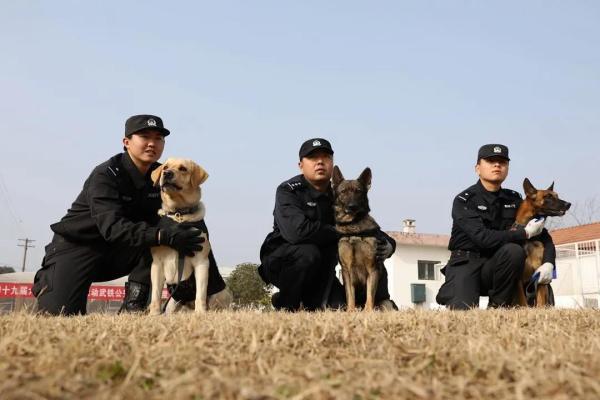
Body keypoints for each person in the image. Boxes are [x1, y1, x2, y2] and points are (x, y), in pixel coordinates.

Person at [32, 114, 228, 315]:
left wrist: (212, 286)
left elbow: (192, 229)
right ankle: (52, 278)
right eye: (144, 136)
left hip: (124, 250)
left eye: (158, 138)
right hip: (78, 247)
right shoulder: (106, 174)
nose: (152, 143)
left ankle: (135, 305)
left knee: (175, 237)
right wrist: (163, 236)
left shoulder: (163, 174)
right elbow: (113, 228)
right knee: (60, 313)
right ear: (126, 142)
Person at [257, 138, 396, 311]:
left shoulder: (342, 193)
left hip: (321, 270)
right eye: (313, 158)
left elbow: (364, 225)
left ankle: (380, 303)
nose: (320, 162)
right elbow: (297, 232)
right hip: (284, 261)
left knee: (339, 306)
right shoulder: (289, 190)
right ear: (301, 165)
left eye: (325, 157)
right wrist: (341, 231)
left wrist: (390, 244)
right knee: (307, 253)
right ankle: (287, 304)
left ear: (332, 163)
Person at [436, 144, 556, 310]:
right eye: (491, 161)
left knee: (514, 251)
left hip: (499, 265)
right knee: (462, 314)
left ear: (507, 168)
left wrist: (549, 263)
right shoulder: (464, 200)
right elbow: (482, 238)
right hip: (466, 262)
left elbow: (543, 237)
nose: (497, 165)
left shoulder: (514, 200)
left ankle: (498, 306)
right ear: (477, 168)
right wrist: (524, 233)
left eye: (502, 162)